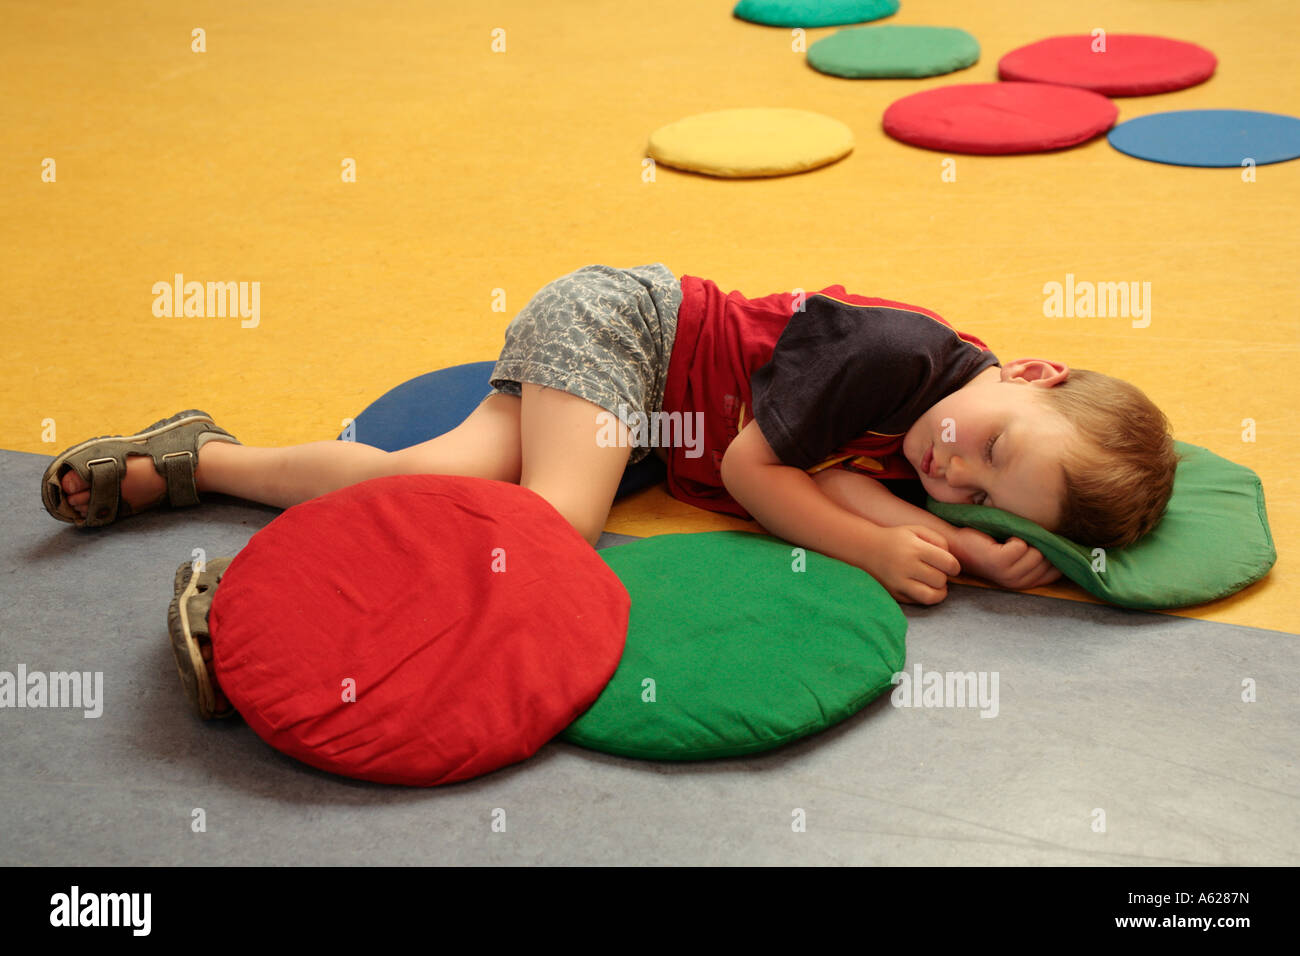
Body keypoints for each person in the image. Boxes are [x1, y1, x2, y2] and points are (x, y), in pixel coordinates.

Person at [42, 262, 1180, 609]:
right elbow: (759, 467)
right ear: (1029, 370)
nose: (953, 470)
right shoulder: (900, 356)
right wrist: (873, 553)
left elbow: (870, 487)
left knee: (423, 476)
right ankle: (263, 597)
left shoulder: (947, 432)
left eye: (983, 494)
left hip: (647, 418)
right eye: (991, 445)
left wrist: (967, 545)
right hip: (623, 330)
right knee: (553, 524)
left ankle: (198, 456)